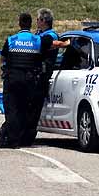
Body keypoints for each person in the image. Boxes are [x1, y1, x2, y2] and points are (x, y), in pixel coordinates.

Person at [0, 12, 47, 149]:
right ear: (31, 24)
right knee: (25, 109)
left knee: (12, 109)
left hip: (12, 78)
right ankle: (22, 137)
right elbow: (41, 58)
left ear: (19, 23)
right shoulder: (36, 40)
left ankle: (12, 139)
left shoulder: (12, 39)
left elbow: (3, 58)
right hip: (29, 80)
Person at [22, 8, 69, 145]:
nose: (36, 22)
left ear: (43, 21)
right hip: (34, 74)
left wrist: (66, 44)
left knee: (34, 108)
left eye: (38, 19)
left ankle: (28, 137)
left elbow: (48, 44)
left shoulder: (51, 35)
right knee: (29, 107)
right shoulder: (40, 34)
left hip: (42, 75)